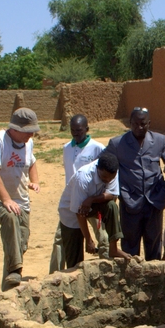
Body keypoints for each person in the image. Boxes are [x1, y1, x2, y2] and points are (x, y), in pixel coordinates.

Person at [0, 108, 40, 290]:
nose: (31, 135)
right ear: (15, 129)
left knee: (19, 244)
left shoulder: (28, 143)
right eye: (27, 131)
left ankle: (7, 290)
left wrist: (35, 181)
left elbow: (31, 162)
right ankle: (16, 269)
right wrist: (6, 200)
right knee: (9, 217)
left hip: (22, 200)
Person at [106, 108, 165, 260]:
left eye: (143, 124)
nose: (139, 127)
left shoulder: (159, 140)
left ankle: (153, 280)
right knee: (129, 246)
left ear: (149, 123)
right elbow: (105, 167)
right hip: (130, 202)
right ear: (130, 123)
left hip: (154, 201)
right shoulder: (117, 144)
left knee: (154, 244)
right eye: (135, 124)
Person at [49, 115, 107, 273]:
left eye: (79, 131)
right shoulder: (67, 148)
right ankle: (55, 275)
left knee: (103, 238)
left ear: (87, 129)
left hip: (91, 201)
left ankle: (106, 270)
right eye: (73, 131)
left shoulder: (98, 148)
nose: (76, 134)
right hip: (72, 202)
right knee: (61, 239)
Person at [58, 153, 131, 268]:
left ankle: (113, 249)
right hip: (71, 211)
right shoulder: (83, 177)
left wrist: (91, 199)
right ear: (98, 168)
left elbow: (112, 195)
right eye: (104, 177)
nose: (107, 180)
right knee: (74, 255)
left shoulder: (112, 172)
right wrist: (89, 240)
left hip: (92, 204)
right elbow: (79, 212)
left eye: (110, 178)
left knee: (112, 206)